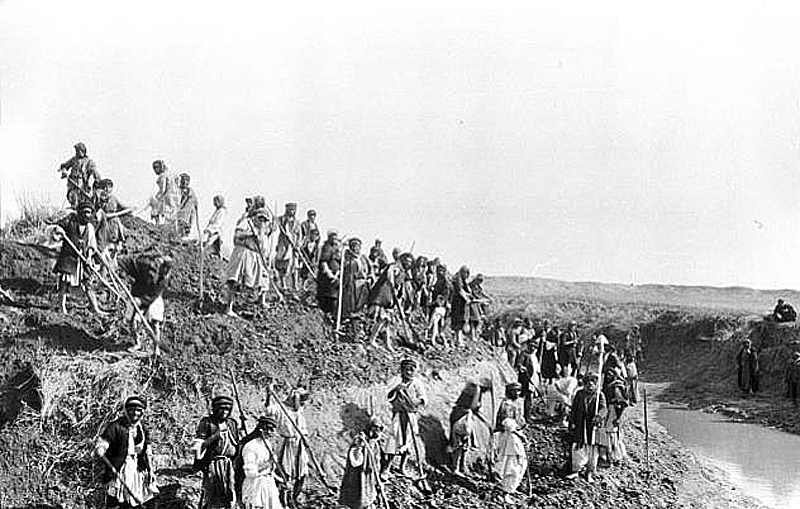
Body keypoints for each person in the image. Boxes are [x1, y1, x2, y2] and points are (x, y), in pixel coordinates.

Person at [93, 396, 158, 508]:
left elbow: (147, 450)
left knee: (143, 500)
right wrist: (100, 449)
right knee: (117, 502)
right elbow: (103, 444)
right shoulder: (116, 426)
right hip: (120, 470)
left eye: (138, 410)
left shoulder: (142, 428)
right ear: (126, 411)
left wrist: (151, 470)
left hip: (138, 470)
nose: (135, 413)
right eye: (131, 410)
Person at [52, 202, 104, 315]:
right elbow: (55, 228)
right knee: (63, 284)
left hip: (83, 260)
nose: (87, 215)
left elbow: (91, 245)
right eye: (84, 212)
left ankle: (96, 308)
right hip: (69, 258)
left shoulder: (89, 228)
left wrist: (89, 257)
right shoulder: (70, 222)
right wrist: (58, 230)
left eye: (89, 212)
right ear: (79, 213)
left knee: (88, 284)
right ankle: (62, 308)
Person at [118, 250, 173, 356]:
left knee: (155, 324)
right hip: (138, 296)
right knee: (133, 321)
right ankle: (137, 343)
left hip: (153, 300)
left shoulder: (164, 281)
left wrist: (140, 301)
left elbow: (154, 295)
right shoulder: (149, 268)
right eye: (162, 266)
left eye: (166, 268)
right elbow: (133, 266)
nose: (163, 269)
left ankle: (156, 349)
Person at [192, 396, 240, 509]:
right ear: (215, 409)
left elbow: (237, 443)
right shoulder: (207, 423)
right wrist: (215, 437)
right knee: (212, 493)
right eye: (221, 409)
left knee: (228, 493)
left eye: (227, 409)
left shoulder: (232, 423)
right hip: (213, 464)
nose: (224, 412)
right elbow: (198, 445)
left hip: (228, 465)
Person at [225, 207, 274, 317]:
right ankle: (229, 308)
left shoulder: (263, 229)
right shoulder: (247, 223)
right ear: (255, 217)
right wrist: (250, 234)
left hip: (255, 256)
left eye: (264, 219)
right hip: (242, 253)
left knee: (262, 279)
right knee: (234, 280)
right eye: (260, 218)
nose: (262, 221)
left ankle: (261, 301)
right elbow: (237, 235)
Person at [383, 358, 427, 479]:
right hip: (399, 414)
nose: (409, 372)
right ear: (402, 370)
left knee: (408, 440)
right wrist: (396, 390)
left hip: (411, 415)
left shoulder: (417, 383)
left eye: (412, 370)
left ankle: (402, 467)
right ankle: (386, 469)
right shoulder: (396, 381)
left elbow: (423, 398)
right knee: (394, 439)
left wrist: (414, 401)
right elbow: (388, 396)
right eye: (406, 369)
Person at [567, 374, 607, 483]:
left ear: (595, 385)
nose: (590, 386)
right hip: (580, 424)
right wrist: (572, 422)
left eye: (592, 384)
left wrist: (599, 416)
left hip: (593, 426)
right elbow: (574, 408)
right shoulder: (580, 394)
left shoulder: (599, 396)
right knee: (577, 448)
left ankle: (589, 472)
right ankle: (576, 470)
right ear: (584, 384)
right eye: (588, 384)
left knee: (592, 449)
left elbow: (604, 409)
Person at [275, 387, 310, 508]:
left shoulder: (300, 411)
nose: (302, 404)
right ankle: (282, 499)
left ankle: (294, 498)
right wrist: (269, 395)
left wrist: (305, 436)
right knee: (285, 472)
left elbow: (303, 428)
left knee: (302, 472)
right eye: (301, 401)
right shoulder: (281, 409)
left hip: (299, 445)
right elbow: (268, 411)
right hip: (287, 444)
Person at [339, 417, 385, 509]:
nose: (377, 432)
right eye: (375, 428)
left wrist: (377, 478)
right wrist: (359, 446)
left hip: (370, 475)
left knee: (368, 495)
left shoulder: (375, 442)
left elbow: (377, 461)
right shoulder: (360, 439)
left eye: (379, 429)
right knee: (357, 495)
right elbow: (355, 461)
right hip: (358, 474)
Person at [448, 379, 491, 476]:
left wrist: (487, 423)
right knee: (459, 443)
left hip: (461, 415)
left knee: (464, 443)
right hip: (462, 417)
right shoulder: (476, 390)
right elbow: (474, 407)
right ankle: (455, 468)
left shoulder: (470, 390)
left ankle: (462, 467)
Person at [241, 415, 284, 509]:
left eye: (271, 429)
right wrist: (269, 462)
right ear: (260, 429)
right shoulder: (251, 446)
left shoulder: (267, 444)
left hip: (269, 485)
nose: (268, 432)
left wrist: (280, 480)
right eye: (265, 429)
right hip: (255, 486)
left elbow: (270, 471)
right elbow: (250, 472)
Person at [597, 367, 628, 466]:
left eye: (610, 374)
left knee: (610, 433)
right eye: (607, 374)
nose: (608, 376)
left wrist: (618, 418)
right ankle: (609, 456)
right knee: (606, 432)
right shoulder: (608, 386)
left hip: (613, 411)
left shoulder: (616, 387)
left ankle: (612, 457)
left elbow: (622, 403)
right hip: (609, 410)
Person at [493, 417, 528, 504]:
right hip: (512, 460)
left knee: (508, 475)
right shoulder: (512, 438)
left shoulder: (503, 435)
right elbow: (518, 453)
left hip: (508, 459)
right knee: (512, 475)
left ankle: (506, 491)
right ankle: (505, 494)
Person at [59, 141, 100, 208]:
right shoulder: (73, 159)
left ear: (83, 151)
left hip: (82, 183)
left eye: (79, 151)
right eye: (76, 151)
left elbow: (94, 171)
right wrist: (64, 171)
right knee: (73, 195)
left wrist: (94, 180)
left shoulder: (89, 161)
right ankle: (74, 206)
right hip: (72, 182)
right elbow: (65, 165)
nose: (77, 152)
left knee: (83, 197)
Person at [274, 203, 302, 294]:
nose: (292, 212)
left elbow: (299, 235)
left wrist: (297, 245)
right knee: (282, 265)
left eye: (294, 210)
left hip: (293, 246)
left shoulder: (297, 222)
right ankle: (283, 284)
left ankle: (295, 285)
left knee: (294, 266)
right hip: (283, 245)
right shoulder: (280, 219)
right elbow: (275, 227)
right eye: (291, 210)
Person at [316, 230, 342, 316]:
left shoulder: (336, 248)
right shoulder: (327, 247)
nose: (334, 239)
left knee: (334, 295)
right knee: (327, 295)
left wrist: (337, 273)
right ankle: (326, 313)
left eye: (336, 237)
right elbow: (324, 262)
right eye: (332, 237)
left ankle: (332, 314)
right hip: (327, 276)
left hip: (335, 275)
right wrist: (329, 274)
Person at [516, 338, 541, 422]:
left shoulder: (534, 356)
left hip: (533, 379)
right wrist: (523, 368)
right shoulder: (524, 354)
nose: (533, 348)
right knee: (527, 397)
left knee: (531, 398)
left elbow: (537, 369)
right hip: (526, 379)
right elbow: (519, 364)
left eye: (534, 347)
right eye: (531, 346)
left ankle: (528, 414)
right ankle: (525, 416)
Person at [149, 160, 179, 225]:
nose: (155, 170)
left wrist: (157, 197)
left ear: (161, 167)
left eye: (156, 167)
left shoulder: (162, 176)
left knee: (156, 205)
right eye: (154, 168)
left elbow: (162, 190)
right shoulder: (171, 173)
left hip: (167, 197)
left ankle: (158, 224)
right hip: (175, 197)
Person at [450, 266, 474, 346]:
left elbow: (463, 291)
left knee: (460, 321)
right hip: (458, 303)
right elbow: (460, 291)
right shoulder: (458, 279)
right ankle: (458, 340)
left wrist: (468, 295)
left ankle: (458, 339)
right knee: (458, 321)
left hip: (460, 303)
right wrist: (467, 299)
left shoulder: (461, 280)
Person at [174, 173, 198, 238]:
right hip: (181, 213)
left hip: (186, 212)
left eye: (187, 181)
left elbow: (193, 201)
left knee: (184, 225)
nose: (185, 182)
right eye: (183, 180)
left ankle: (183, 236)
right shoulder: (178, 190)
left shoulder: (190, 191)